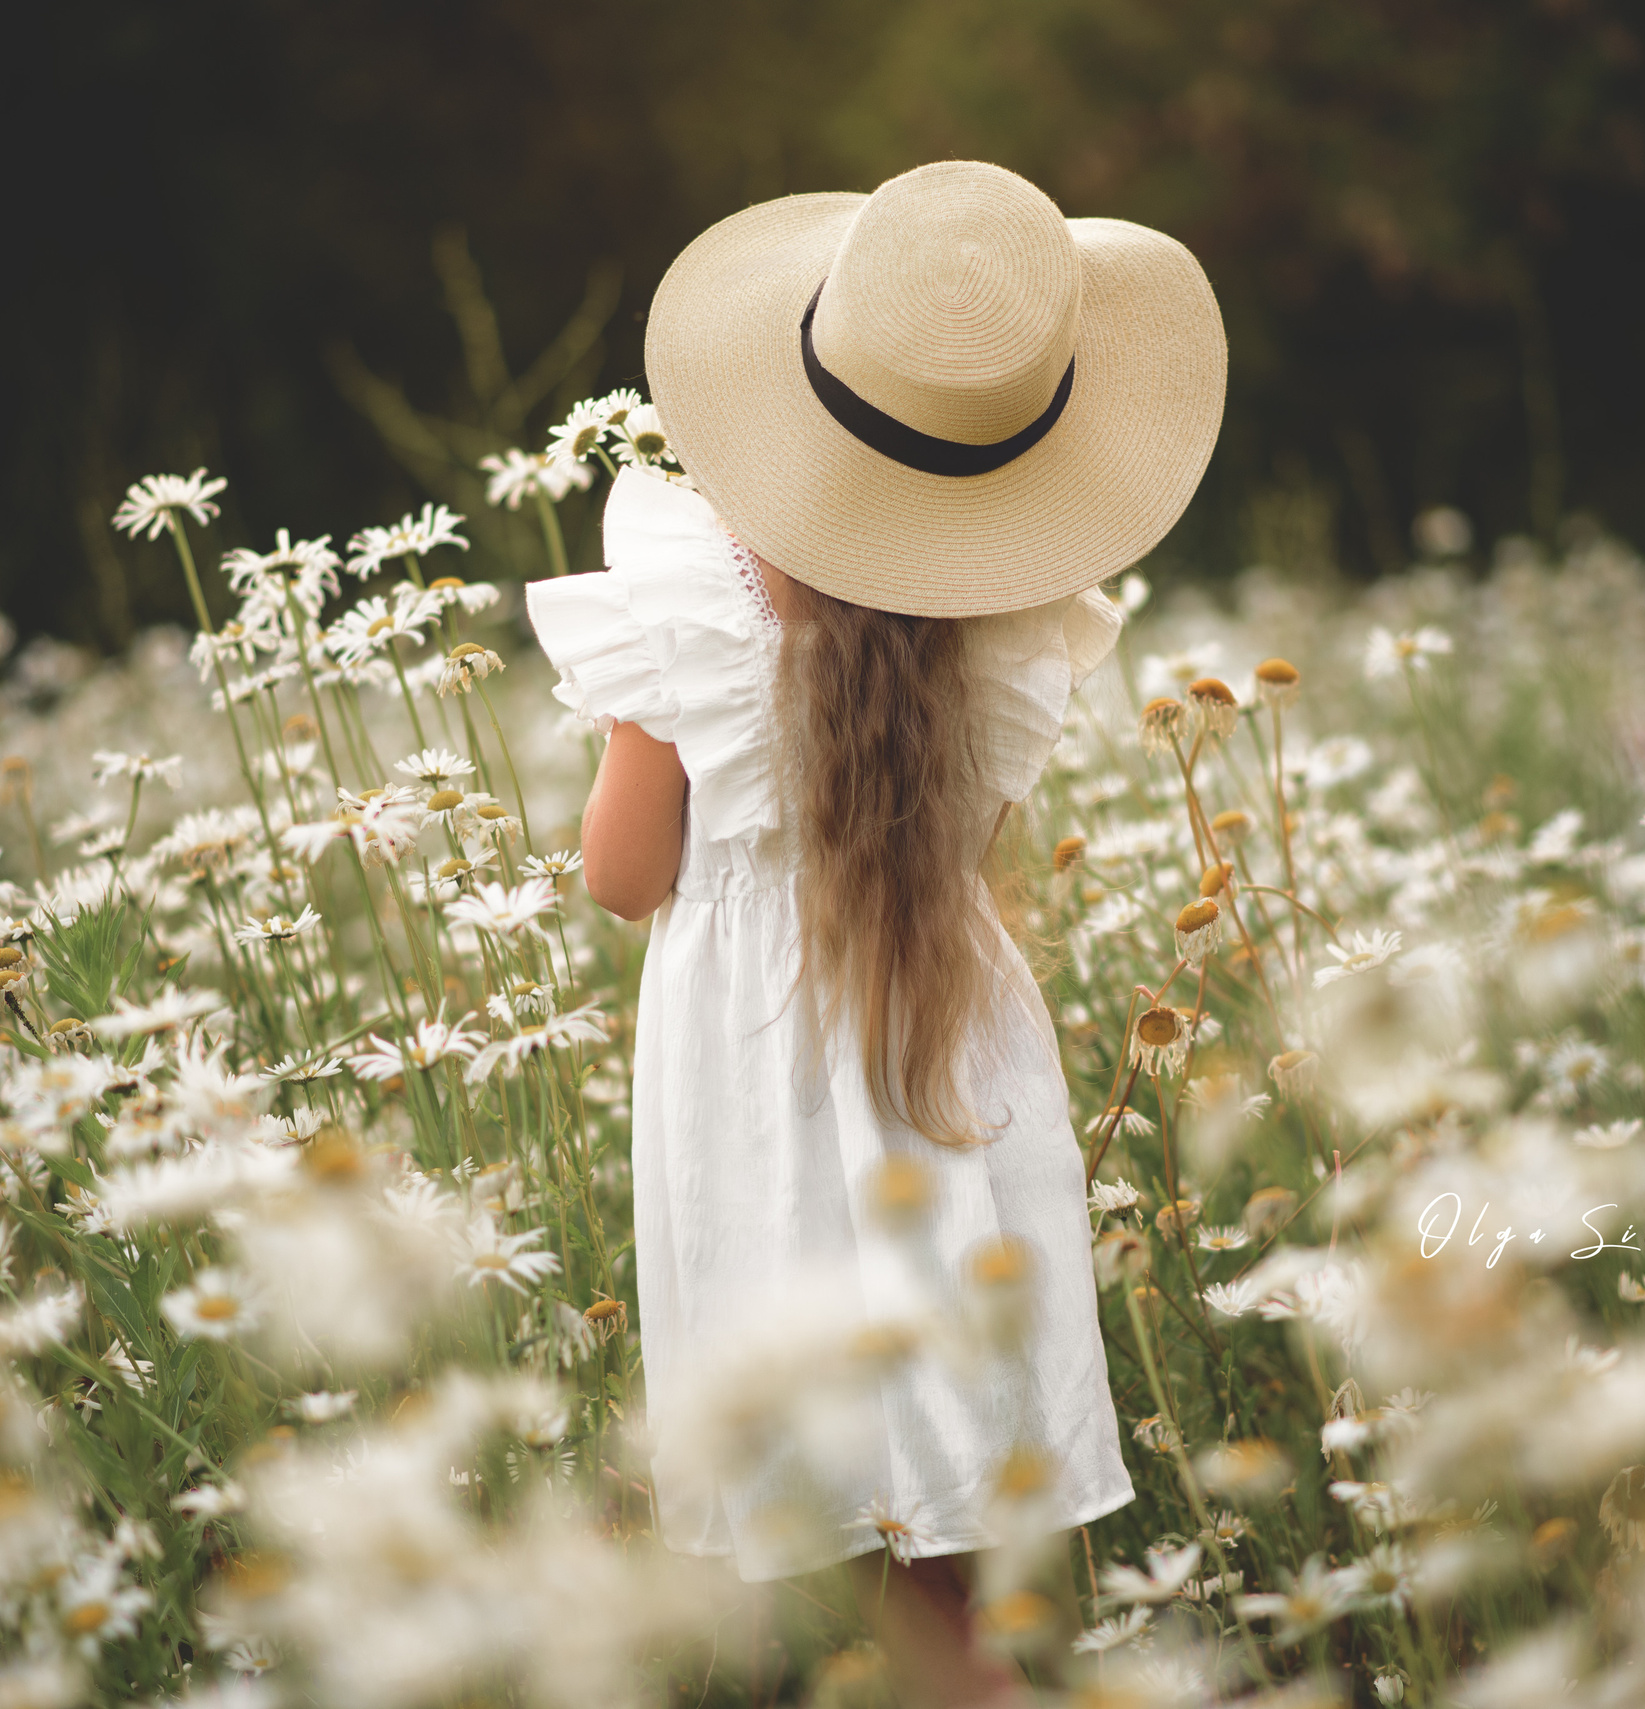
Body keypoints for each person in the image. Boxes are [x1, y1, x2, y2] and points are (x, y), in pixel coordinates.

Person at [524, 158, 1226, 1705]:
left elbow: (624, 873)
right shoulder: (1010, 624)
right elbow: (950, 849)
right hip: (942, 1055)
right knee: (946, 1512)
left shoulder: (692, 602)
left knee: (833, 1486)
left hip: (749, 1072)